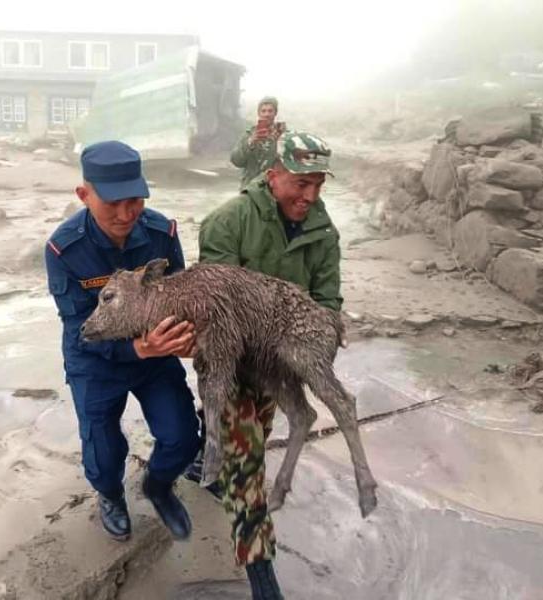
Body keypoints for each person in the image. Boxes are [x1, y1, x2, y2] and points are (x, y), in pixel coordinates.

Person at [198, 131, 342, 599]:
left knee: (253, 433)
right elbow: (216, 312)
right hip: (233, 363)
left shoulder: (322, 232)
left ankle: (208, 457)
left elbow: (327, 304)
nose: (311, 195)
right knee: (249, 465)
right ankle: (264, 583)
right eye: (301, 183)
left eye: (319, 183)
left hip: (281, 368)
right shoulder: (228, 222)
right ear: (273, 173)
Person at [45, 140, 200, 543]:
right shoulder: (65, 248)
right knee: (103, 447)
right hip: (96, 359)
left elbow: (179, 294)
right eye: (112, 202)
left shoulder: (161, 233)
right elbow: (80, 325)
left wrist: (184, 338)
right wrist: (133, 348)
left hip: (154, 354)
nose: (125, 213)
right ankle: (111, 495)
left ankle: (159, 484)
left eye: (134, 200)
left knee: (183, 435)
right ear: (84, 194)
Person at [230, 96, 286, 190]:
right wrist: (250, 143)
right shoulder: (249, 134)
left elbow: (290, 163)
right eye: (263, 111)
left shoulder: (282, 135)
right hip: (251, 188)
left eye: (270, 111)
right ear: (258, 113)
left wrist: (280, 141)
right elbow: (236, 161)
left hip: (274, 188)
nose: (266, 114)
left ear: (275, 113)